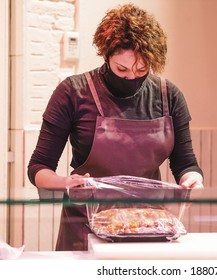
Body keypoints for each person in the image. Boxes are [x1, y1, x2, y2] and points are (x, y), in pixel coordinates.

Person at [27, 3, 203, 251]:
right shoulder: (73, 92)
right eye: (121, 69)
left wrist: (192, 180)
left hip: (147, 227)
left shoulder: (169, 96)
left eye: (141, 69)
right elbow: (39, 168)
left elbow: (186, 164)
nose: (131, 77)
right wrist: (66, 182)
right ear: (106, 55)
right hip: (84, 229)